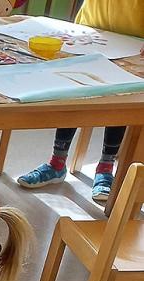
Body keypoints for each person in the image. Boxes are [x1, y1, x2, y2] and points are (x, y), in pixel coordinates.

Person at [16, 2, 144, 205]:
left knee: (119, 101)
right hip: (91, 29)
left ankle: (106, 167)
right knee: (74, 94)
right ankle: (57, 163)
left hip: (132, 40)